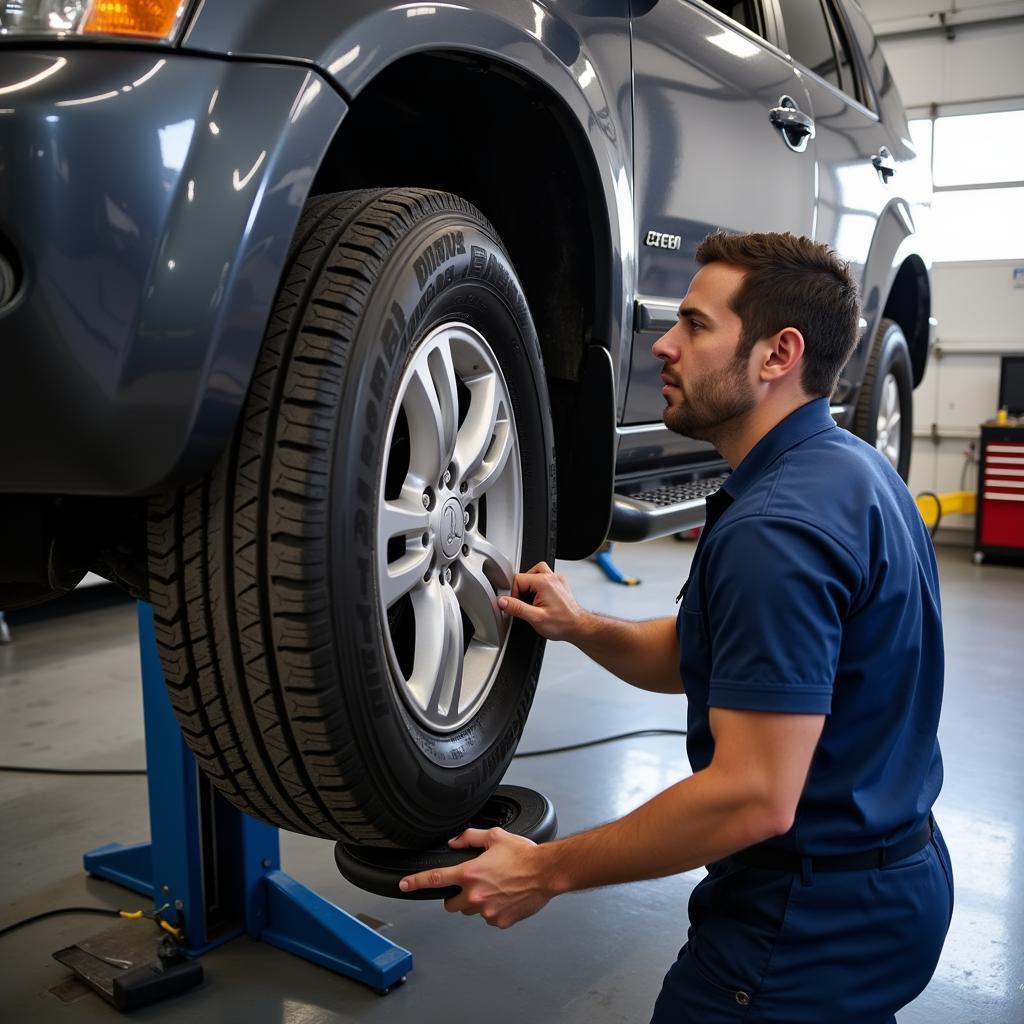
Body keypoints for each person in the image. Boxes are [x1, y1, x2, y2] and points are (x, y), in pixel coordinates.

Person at [399, 232, 953, 1022]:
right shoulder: (854, 472)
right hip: (897, 878)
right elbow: (707, 654)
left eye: (694, 325)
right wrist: (584, 624)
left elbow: (752, 798)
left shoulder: (777, 529)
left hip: (808, 921)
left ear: (776, 354)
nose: (662, 343)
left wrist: (546, 870)